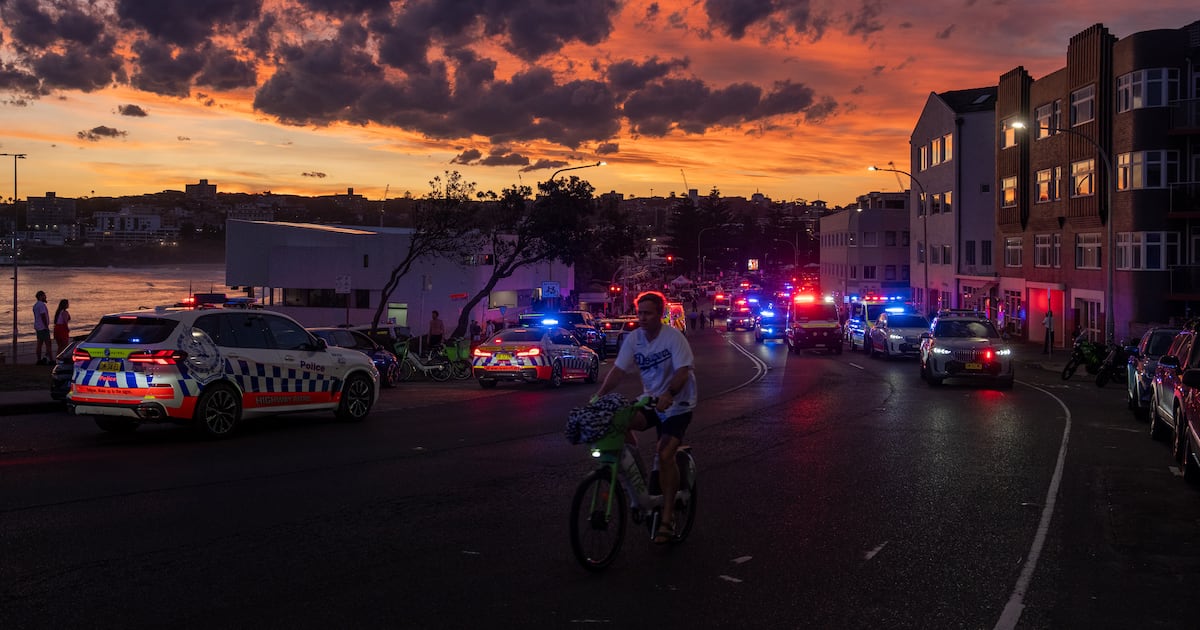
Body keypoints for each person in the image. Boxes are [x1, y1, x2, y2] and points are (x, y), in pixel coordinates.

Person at [593, 291, 697, 544]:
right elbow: (618, 371)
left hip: (678, 403)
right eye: (639, 312)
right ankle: (639, 479)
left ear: (659, 315)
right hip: (650, 399)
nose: (642, 318)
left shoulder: (673, 338)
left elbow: (683, 370)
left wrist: (670, 394)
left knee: (664, 454)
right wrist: (598, 396)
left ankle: (667, 518)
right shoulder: (634, 339)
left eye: (648, 313)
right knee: (619, 422)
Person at [32, 290, 52, 365]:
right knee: (48, 343)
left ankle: (39, 359)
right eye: (44, 295)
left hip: (38, 327)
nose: (45, 297)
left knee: (39, 344)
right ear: (40, 296)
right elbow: (43, 315)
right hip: (43, 327)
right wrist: (46, 326)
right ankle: (51, 360)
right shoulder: (41, 305)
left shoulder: (35, 305)